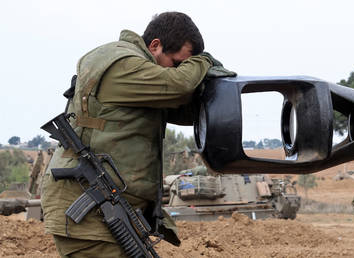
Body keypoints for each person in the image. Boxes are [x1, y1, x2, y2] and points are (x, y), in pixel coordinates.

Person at [41, 12, 234, 257]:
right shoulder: (122, 65)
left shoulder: (138, 75)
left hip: (104, 209)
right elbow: (179, 85)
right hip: (90, 216)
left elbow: (184, 109)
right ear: (155, 45)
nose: (178, 70)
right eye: (176, 63)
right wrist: (203, 61)